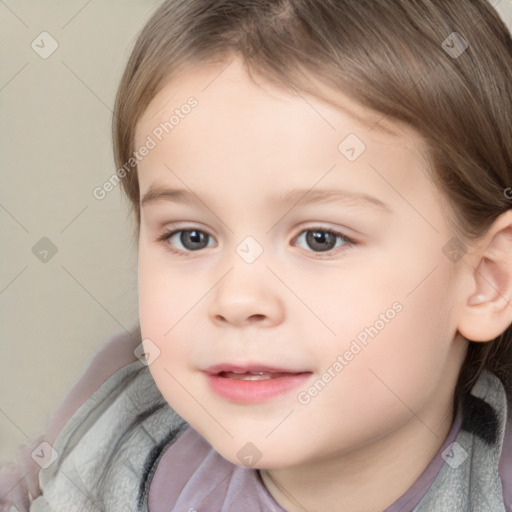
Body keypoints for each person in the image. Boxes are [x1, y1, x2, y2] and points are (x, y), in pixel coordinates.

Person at [2, 0, 512, 510]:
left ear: (487, 280)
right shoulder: (112, 429)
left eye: (320, 239)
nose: (238, 298)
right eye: (191, 236)